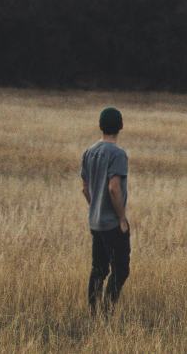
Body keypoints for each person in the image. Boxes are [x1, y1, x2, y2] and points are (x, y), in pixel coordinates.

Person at [80, 106, 130, 315]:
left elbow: (84, 187)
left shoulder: (89, 152)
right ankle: (108, 312)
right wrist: (122, 218)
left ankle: (93, 312)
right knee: (121, 269)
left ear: (101, 126)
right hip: (111, 223)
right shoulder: (118, 154)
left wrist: (94, 207)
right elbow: (113, 188)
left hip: (95, 222)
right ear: (120, 126)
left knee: (99, 268)